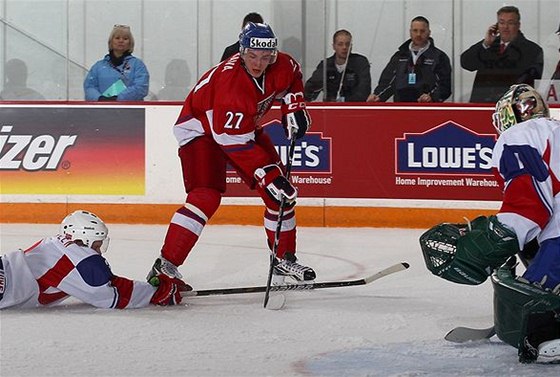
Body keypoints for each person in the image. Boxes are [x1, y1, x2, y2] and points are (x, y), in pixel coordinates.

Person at [146, 22, 315, 290]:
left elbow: (293, 76)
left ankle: (283, 258)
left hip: (242, 128)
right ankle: (165, 265)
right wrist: (265, 173)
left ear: (273, 53)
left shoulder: (282, 63)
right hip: (200, 132)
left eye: (265, 57)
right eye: (252, 56)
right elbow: (229, 140)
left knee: (280, 193)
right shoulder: (230, 85)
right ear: (242, 51)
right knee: (205, 197)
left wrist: (293, 106)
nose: (259, 63)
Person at [419, 84, 560, 363]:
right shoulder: (554, 130)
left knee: (534, 308)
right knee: (534, 246)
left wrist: (498, 236)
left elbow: (529, 203)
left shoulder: (518, 135)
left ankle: (548, 333)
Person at [0, 210, 186, 309]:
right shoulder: (78, 259)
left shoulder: (57, 244)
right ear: (84, 239)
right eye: (96, 245)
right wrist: (155, 292)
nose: (98, 251)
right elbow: (106, 293)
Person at [460, 6, 543, 103]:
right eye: (502, 22)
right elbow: (466, 63)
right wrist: (485, 44)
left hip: (512, 106)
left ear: (518, 25)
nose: (505, 27)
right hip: (482, 103)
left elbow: (530, 81)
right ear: (497, 25)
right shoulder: (488, 45)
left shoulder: (532, 50)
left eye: (510, 23)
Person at [367, 16, 451, 103]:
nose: (418, 34)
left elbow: (445, 86)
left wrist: (432, 97)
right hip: (401, 106)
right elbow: (387, 81)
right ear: (410, 32)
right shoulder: (400, 55)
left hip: (427, 106)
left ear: (429, 33)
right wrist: (378, 96)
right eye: (415, 30)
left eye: (422, 31)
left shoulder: (439, 57)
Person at [83, 25, 149, 101]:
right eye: (117, 38)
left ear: (130, 43)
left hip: (130, 111)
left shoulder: (138, 65)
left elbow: (141, 87)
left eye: (125, 38)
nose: (121, 41)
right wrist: (100, 99)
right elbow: (89, 86)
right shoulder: (98, 66)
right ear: (111, 41)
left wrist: (118, 99)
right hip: (102, 110)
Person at [304, 29, 371, 102]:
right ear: (334, 46)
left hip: (353, 108)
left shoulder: (360, 62)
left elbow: (364, 91)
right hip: (330, 109)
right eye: (340, 44)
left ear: (351, 46)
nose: (344, 47)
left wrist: (343, 101)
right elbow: (311, 87)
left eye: (347, 44)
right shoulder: (326, 65)